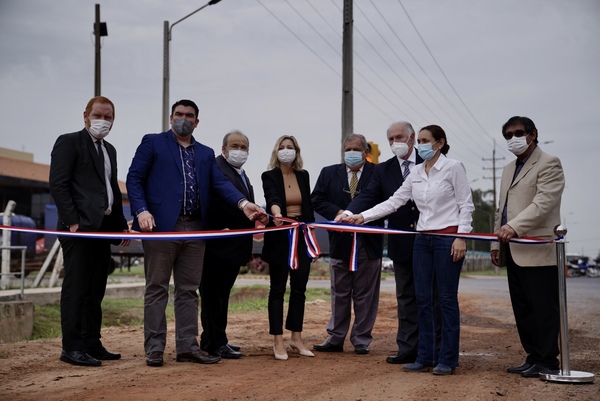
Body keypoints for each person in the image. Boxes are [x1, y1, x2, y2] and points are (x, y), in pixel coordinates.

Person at [126, 99, 266, 367]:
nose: (184, 119)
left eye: (189, 115)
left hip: (196, 227)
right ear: (170, 118)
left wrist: (244, 203)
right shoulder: (153, 143)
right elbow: (134, 178)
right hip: (160, 227)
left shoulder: (205, 153)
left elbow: (221, 184)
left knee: (189, 290)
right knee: (156, 288)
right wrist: (141, 210)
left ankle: (188, 347)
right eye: (179, 114)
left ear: (197, 122)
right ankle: (154, 348)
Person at [341, 125, 474, 375]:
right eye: (420, 140)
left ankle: (447, 359)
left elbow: (466, 205)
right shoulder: (414, 172)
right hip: (422, 240)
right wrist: (361, 217)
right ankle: (424, 356)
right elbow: (394, 202)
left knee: (445, 300)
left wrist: (461, 237)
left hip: (447, 239)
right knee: (421, 300)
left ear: (440, 143)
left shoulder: (453, 167)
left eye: (425, 140)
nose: (422, 145)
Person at [49, 96, 130, 367]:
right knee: (76, 288)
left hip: (102, 231)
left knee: (96, 288)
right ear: (86, 115)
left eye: (108, 117)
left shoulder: (110, 150)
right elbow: (58, 184)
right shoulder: (69, 142)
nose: (102, 121)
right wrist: (72, 221)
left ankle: (91, 343)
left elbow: (112, 192)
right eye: (98, 115)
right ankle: (71, 347)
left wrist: (120, 227)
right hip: (79, 230)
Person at [342, 121, 424, 364]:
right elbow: (369, 196)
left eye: (399, 137)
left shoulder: (433, 162)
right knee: (406, 297)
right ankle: (407, 348)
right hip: (401, 244)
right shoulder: (383, 170)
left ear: (412, 137)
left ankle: (435, 347)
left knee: (433, 296)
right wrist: (349, 213)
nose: (394, 142)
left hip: (431, 241)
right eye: (390, 139)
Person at [490, 116, 564, 378]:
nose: (513, 139)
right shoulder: (510, 168)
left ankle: (547, 360)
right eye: (508, 135)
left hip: (537, 250)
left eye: (518, 133)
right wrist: (496, 243)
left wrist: (514, 227)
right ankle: (533, 356)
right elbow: (502, 209)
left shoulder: (549, 163)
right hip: (511, 248)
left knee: (543, 308)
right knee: (522, 308)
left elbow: (543, 203)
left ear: (533, 134)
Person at [311, 134, 384, 355]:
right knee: (339, 292)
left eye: (356, 149)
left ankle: (361, 339)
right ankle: (335, 337)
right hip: (339, 242)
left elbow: (387, 202)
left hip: (368, 243)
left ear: (366, 152)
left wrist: (361, 215)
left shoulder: (377, 174)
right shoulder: (328, 173)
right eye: (347, 149)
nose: (351, 153)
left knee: (366, 295)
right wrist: (338, 213)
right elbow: (316, 199)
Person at [199, 130, 255, 359]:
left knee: (222, 294)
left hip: (235, 247)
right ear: (223, 148)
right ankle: (214, 342)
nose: (239, 151)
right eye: (234, 146)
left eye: (243, 147)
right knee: (212, 295)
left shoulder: (240, 173)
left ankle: (216, 338)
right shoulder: (217, 168)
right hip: (218, 245)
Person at [261, 135, 315, 360]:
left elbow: (307, 204)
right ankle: (277, 340)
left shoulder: (303, 175)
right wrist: (277, 214)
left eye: (289, 147)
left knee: (299, 289)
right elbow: (272, 197)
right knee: (277, 289)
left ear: (296, 151)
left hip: (301, 235)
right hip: (280, 234)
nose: (286, 150)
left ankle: (296, 337)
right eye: (282, 147)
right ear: (276, 151)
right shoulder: (269, 175)